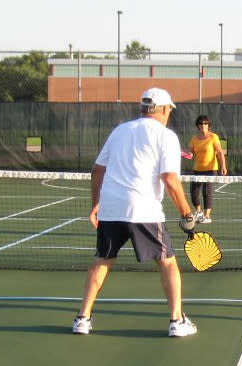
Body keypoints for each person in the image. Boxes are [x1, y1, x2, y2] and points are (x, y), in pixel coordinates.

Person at [72, 87, 198, 337]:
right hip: (144, 211)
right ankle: (176, 321)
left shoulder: (119, 131)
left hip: (111, 209)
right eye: (169, 110)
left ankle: (82, 319)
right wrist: (187, 214)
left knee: (102, 261)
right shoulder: (166, 136)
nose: (169, 114)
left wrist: (96, 204)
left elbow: (97, 171)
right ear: (162, 109)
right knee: (168, 263)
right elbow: (170, 179)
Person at [189, 114, 228, 224]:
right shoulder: (194, 139)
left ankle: (207, 216)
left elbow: (220, 152)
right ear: (198, 125)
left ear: (208, 125)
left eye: (205, 123)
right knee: (194, 192)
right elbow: (191, 152)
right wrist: (189, 155)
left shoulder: (213, 137)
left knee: (207, 191)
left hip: (211, 169)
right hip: (197, 169)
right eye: (201, 123)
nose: (203, 125)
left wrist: (223, 166)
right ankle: (199, 212)